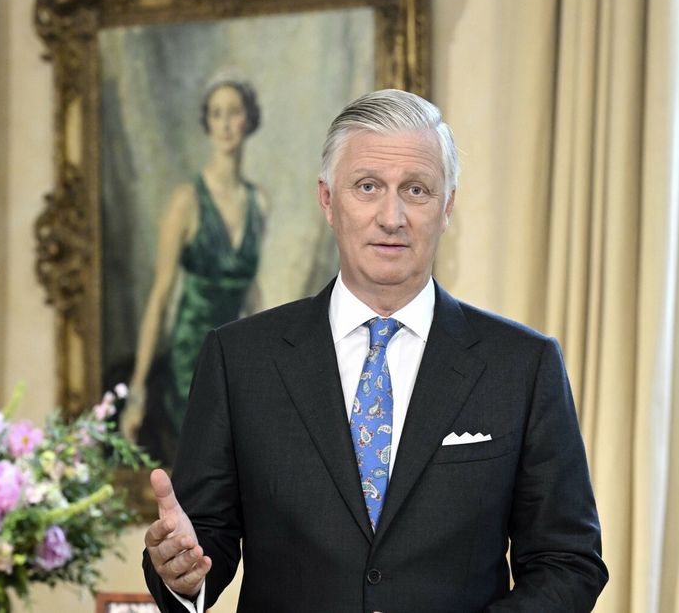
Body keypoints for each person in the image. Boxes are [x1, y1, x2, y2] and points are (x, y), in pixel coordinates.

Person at [142, 89, 607, 612]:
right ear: (327, 200)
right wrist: (182, 573)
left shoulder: (522, 364)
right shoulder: (238, 359)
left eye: (416, 189)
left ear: (447, 205)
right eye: (368, 187)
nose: (393, 216)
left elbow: (569, 562)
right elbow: (205, 540)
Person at [120, 77, 268, 457]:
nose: (224, 123)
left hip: (236, 362)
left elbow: (250, 290)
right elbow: (160, 295)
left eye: (233, 113)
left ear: (248, 120)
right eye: (216, 114)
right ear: (207, 124)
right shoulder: (186, 201)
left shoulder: (259, 203)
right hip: (190, 361)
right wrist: (137, 391)